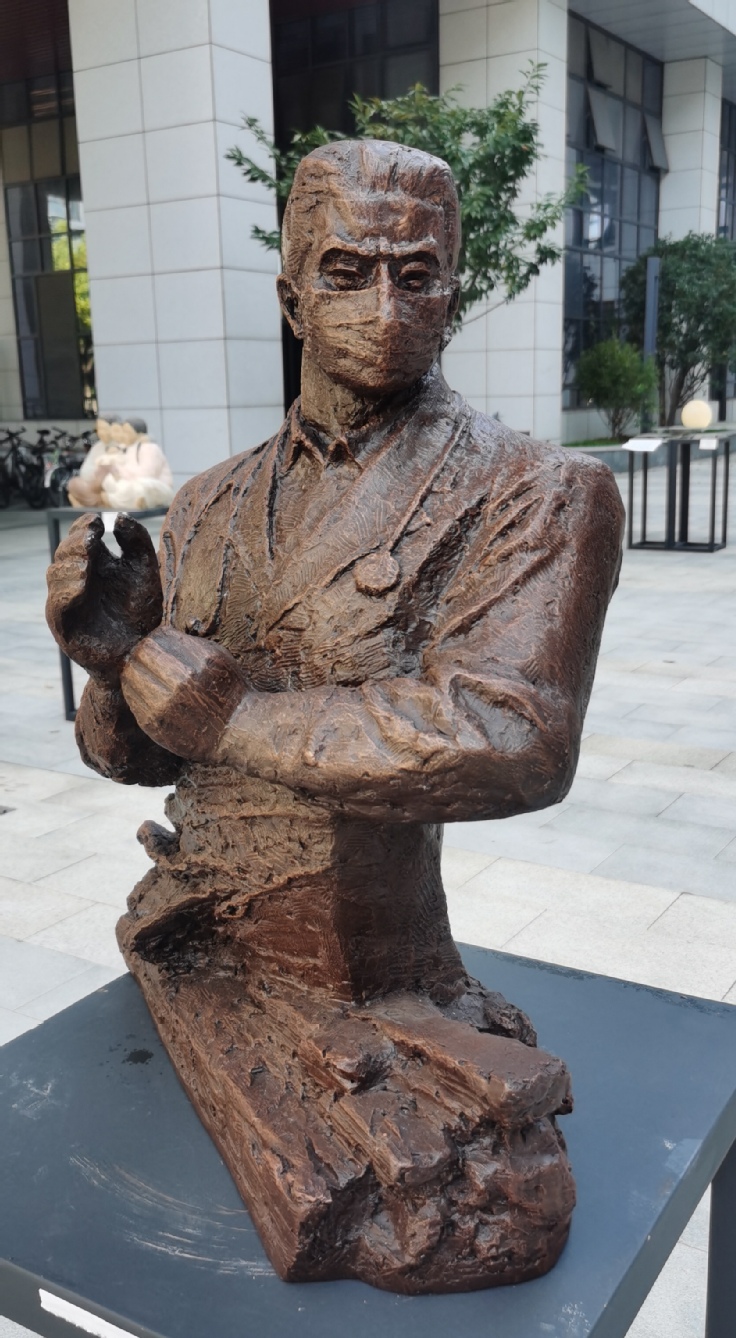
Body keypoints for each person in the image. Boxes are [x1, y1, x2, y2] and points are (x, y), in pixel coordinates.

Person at [46, 140, 624, 1292]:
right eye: (347, 271)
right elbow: (139, 759)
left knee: (481, 1187)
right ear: (291, 296)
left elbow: (509, 732)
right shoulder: (208, 503)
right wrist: (112, 664)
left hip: (372, 963)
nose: (384, 307)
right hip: (201, 930)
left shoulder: (537, 492)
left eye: (417, 275)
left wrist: (234, 719)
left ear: (454, 290)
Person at [99, 416, 174, 511]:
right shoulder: (126, 448)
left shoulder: (150, 448)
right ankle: (124, 500)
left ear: (139, 433)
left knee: (141, 486)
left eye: (127, 432)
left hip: (154, 486)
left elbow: (146, 474)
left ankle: (138, 501)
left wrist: (121, 471)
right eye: (123, 432)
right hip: (131, 483)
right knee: (110, 481)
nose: (123, 435)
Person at [66, 413, 121, 509]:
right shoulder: (98, 446)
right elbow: (85, 470)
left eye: (103, 429)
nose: (100, 432)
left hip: (113, 488)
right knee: (74, 486)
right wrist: (95, 476)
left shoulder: (122, 445)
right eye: (98, 429)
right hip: (93, 486)